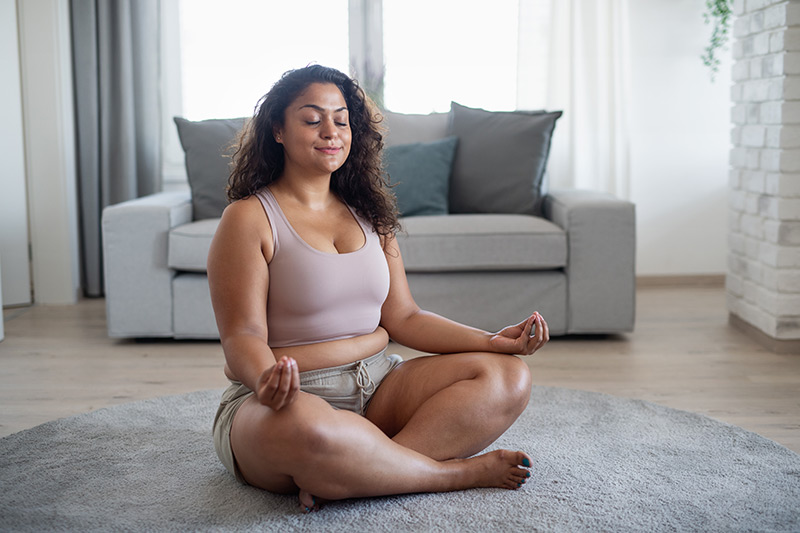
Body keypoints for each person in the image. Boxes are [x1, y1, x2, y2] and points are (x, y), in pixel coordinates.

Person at [208, 65, 550, 513]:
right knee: (314, 432)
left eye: (341, 119)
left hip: (378, 382)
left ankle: (359, 472)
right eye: (312, 119)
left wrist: (491, 341)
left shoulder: (368, 213)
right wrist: (264, 380)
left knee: (507, 377)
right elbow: (243, 337)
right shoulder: (249, 218)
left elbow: (405, 317)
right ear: (277, 129)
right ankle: (448, 475)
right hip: (283, 400)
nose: (330, 131)